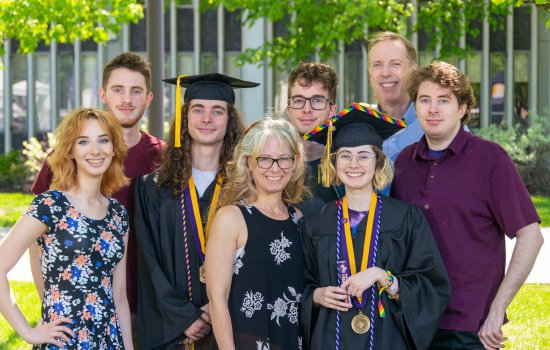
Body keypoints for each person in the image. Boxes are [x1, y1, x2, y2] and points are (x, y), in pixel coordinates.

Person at [391, 61, 544, 349]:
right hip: (414, 322)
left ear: (462, 109)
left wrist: (498, 309)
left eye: (443, 100)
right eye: (424, 100)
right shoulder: (404, 163)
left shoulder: (490, 160)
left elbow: (531, 235)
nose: (433, 109)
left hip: (470, 327)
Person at [301, 102, 451, 350]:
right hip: (329, 339)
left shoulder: (405, 219)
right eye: (345, 156)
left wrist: (382, 276)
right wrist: (316, 296)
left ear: (379, 163)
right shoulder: (316, 223)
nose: (354, 164)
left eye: (364, 155)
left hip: (388, 340)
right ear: (334, 164)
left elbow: (431, 287)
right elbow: (298, 286)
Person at [30, 52, 165, 323]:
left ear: (149, 99)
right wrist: (51, 307)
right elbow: (36, 241)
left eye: (136, 91)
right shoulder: (67, 158)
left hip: (149, 310)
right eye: (118, 90)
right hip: (79, 313)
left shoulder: (164, 158)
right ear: (103, 94)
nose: (126, 99)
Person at [135, 73, 258, 349]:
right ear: (184, 117)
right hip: (172, 331)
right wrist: (185, 317)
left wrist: (213, 309)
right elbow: (148, 262)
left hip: (230, 325)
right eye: (198, 109)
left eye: (217, 111)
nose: (207, 119)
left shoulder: (246, 188)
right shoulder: (153, 188)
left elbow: (255, 261)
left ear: (230, 120)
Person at [0, 107, 133, 349]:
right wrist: (27, 332)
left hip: (108, 341)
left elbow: (120, 296)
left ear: (114, 149)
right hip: (64, 341)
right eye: (84, 142)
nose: (95, 150)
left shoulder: (118, 214)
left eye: (103, 140)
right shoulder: (50, 205)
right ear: (70, 151)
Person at [206, 116, 307, 349]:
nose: (275, 168)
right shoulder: (232, 218)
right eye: (265, 159)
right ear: (249, 162)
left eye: (283, 159)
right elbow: (216, 299)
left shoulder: (298, 220)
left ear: (294, 163)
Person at [286, 62, 344, 216]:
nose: (307, 109)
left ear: (332, 110)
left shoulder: (347, 165)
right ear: (288, 109)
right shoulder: (272, 163)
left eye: (317, 101)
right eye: (298, 100)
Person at [367, 31, 420, 163]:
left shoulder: (437, 124)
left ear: (413, 71)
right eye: (377, 65)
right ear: (370, 75)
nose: (385, 73)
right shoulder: (359, 127)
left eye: (395, 64)